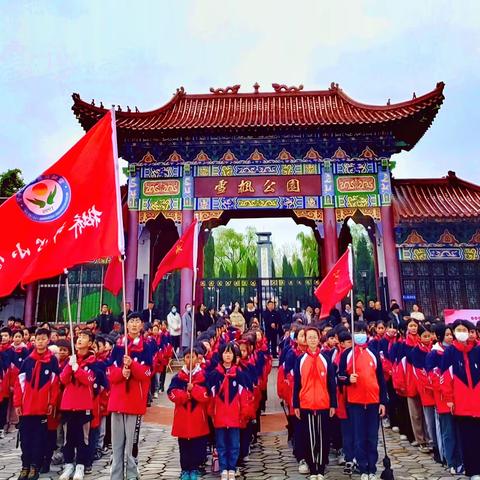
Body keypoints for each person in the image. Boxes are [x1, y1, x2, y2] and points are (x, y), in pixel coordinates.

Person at [338, 321, 387, 480]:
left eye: (362, 331)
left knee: (372, 437)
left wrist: (382, 402)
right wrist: (347, 379)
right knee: (359, 438)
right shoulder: (347, 354)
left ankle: (372, 468)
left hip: (373, 402)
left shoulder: (373, 352)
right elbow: (339, 377)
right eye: (356, 331)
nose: (360, 335)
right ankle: (362, 466)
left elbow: (380, 378)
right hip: (355, 403)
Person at [107, 312, 153, 480]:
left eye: (137, 321)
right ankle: (116, 475)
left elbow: (147, 373)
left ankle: (132, 474)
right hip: (118, 400)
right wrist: (122, 372)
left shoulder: (146, 347)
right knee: (117, 444)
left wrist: (132, 365)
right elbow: (110, 373)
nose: (134, 324)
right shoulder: (118, 346)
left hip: (134, 401)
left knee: (130, 445)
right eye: (131, 321)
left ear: (141, 325)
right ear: (126, 325)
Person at [14, 328, 59, 480]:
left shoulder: (52, 361)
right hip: (26, 408)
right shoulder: (28, 361)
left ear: (48, 340)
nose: (40, 341)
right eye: (37, 339)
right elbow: (19, 383)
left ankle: (35, 466)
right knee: (26, 439)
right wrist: (17, 403)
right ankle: (25, 466)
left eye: (43, 339)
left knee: (39, 439)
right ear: (34, 341)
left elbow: (55, 384)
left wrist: (51, 402)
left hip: (42, 409)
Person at [293, 327, 336, 480]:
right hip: (306, 404)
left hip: (324, 403)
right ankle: (312, 468)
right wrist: (296, 405)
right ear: (305, 339)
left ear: (319, 339)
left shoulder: (325, 359)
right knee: (309, 437)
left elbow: (331, 383)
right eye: (309, 337)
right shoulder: (300, 359)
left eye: (314, 337)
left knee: (323, 437)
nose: (312, 340)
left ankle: (321, 467)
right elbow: (297, 384)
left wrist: (333, 404)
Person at [441, 319, 480, 479]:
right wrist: (449, 399)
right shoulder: (450, 352)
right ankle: (473, 470)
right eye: (459, 329)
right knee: (467, 438)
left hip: (478, 401)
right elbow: (445, 377)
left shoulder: (477, 350)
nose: (463, 332)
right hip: (462, 403)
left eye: (466, 329)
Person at [207, 342, 251, 480]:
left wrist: (244, 413)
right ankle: (223, 468)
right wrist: (211, 413)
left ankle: (231, 468)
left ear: (234, 356)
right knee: (221, 445)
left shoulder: (239, 374)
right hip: (219, 415)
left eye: (230, 353)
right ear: (221, 355)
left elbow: (244, 395)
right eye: (225, 352)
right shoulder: (215, 374)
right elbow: (211, 397)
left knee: (234, 445)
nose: (227, 355)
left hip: (234, 416)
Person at [58, 330, 97, 480]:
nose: (80, 339)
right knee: (69, 437)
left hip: (83, 405)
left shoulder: (93, 361)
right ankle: (68, 465)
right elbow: (63, 379)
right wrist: (70, 365)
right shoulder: (70, 360)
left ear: (90, 343)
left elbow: (89, 380)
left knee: (83, 438)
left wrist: (77, 369)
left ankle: (81, 465)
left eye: (84, 337)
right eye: (79, 337)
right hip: (68, 404)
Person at [168, 347, 210, 480]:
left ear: (197, 359)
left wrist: (194, 389)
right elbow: (172, 394)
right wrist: (186, 395)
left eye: (192, 357)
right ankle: (185, 469)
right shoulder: (178, 377)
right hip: (182, 419)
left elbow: (206, 395)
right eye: (187, 357)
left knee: (197, 446)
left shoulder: (203, 376)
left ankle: (195, 468)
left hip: (198, 419)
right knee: (184, 447)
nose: (189, 360)